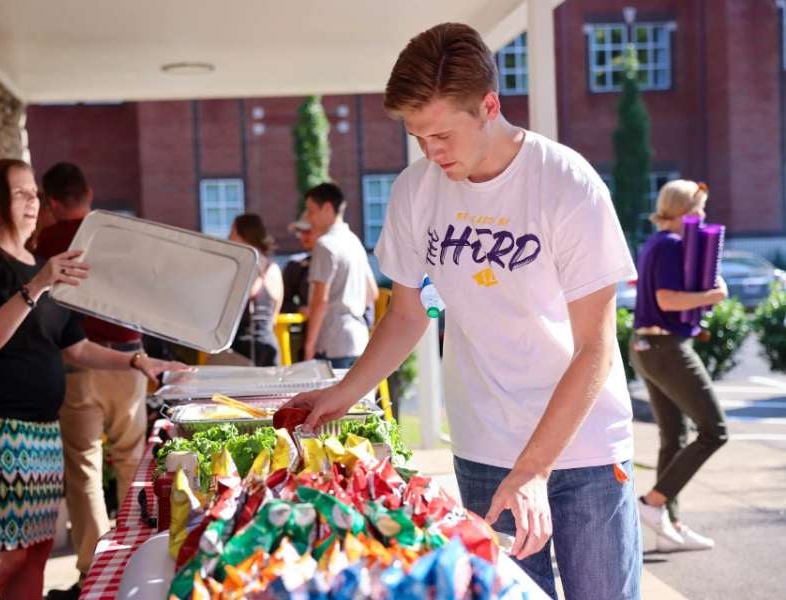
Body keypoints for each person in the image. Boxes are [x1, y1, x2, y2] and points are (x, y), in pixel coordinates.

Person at [283, 23, 641, 599]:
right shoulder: (416, 192)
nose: (432, 152)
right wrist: (341, 394)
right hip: (484, 449)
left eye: (443, 135)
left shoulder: (567, 184)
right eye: (418, 136)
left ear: (490, 106)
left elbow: (596, 346)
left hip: (585, 454)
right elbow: (411, 312)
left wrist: (535, 469)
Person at [0, 159, 187, 600]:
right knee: (5, 553)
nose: (33, 202)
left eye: (34, 193)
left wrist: (138, 363)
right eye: (20, 193)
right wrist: (35, 287)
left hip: (40, 430)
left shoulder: (39, 265)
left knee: (35, 552)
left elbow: (75, 347)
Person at [34, 162, 151, 597]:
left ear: (50, 202)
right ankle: (131, 566)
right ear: (90, 191)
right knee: (131, 461)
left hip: (76, 362)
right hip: (129, 360)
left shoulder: (46, 241)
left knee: (84, 466)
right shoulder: (117, 235)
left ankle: (91, 572)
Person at [629, 179, 729, 552]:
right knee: (714, 430)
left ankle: (668, 523)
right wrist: (713, 295)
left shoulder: (655, 243)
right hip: (664, 346)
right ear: (684, 209)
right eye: (699, 207)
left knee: (675, 436)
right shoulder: (671, 244)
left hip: (646, 344)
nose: (703, 215)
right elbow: (667, 299)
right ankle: (654, 504)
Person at [302, 183, 379, 369]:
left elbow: (320, 300)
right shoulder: (354, 241)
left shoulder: (324, 244)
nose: (307, 218)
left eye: (311, 211)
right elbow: (372, 292)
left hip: (332, 340)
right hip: (358, 337)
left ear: (327, 208)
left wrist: (309, 344)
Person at [229, 213, 284, 366]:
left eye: (232, 232)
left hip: (243, 351)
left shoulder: (246, 265)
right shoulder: (273, 268)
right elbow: (274, 314)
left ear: (241, 235)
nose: (228, 237)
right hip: (269, 346)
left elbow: (234, 305)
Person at [282, 218, 316, 315]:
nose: (303, 237)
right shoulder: (296, 265)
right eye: (301, 232)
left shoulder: (341, 258)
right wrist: (301, 309)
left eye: (309, 232)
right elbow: (283, 301)